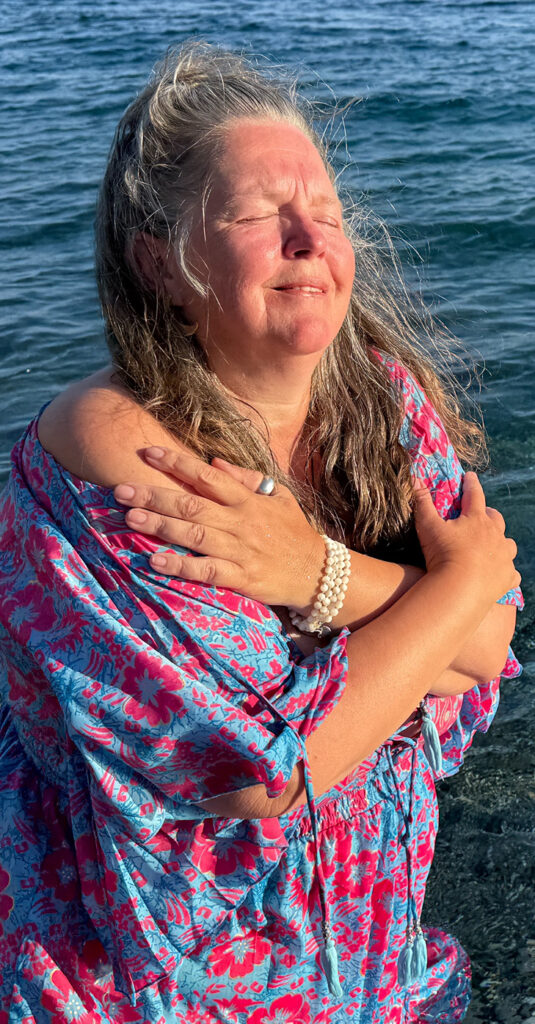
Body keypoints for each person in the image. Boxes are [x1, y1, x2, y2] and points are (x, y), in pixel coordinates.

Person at [0, 40, 522, 1024]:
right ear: (159, 261)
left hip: (358, 941)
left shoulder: (378, 397)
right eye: (255, 213)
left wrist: (314, 571)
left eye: (326, 211)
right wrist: (446, 594)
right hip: (162, 973)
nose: (307, 237)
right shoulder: (119, 452)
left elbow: (491, 646)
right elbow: (256, 772)